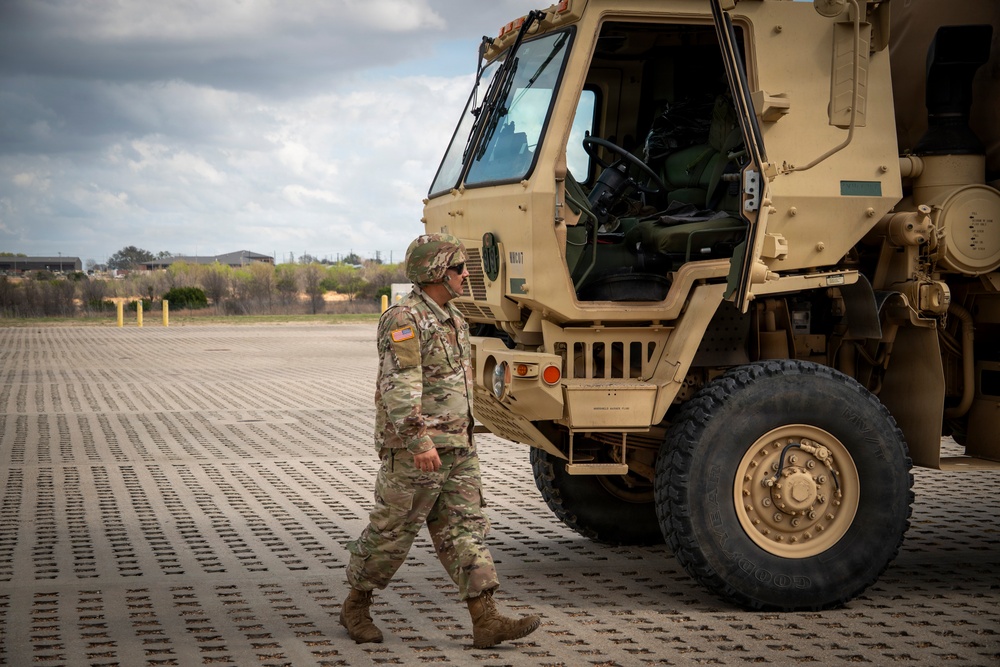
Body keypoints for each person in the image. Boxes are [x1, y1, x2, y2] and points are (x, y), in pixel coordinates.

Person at [341, 233, 541, 648]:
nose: (466, 275)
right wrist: (419, 442)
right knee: (392, 532)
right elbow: (399, 386)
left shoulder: (453, 316)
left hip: (458, 447)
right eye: (458, 268)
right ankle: (355, 606)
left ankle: (485, 620)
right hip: (419, 452)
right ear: (435, 272)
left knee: (465, 529)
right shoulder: (404, 319)